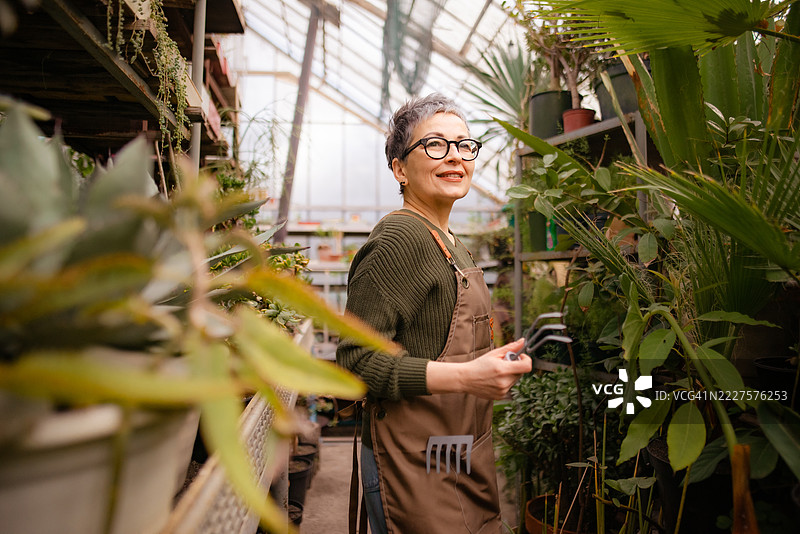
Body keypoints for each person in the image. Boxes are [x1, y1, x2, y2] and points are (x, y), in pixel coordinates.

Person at [337, 93, 532, 534]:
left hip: (458, 448)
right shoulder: (400, 237)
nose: (455, 157)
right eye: (435, 145)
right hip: (413, 461)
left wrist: (493, 367)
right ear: (400, 168)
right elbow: (356, 361)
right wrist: (467, 377)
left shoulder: (448, 241)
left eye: (464, 145)